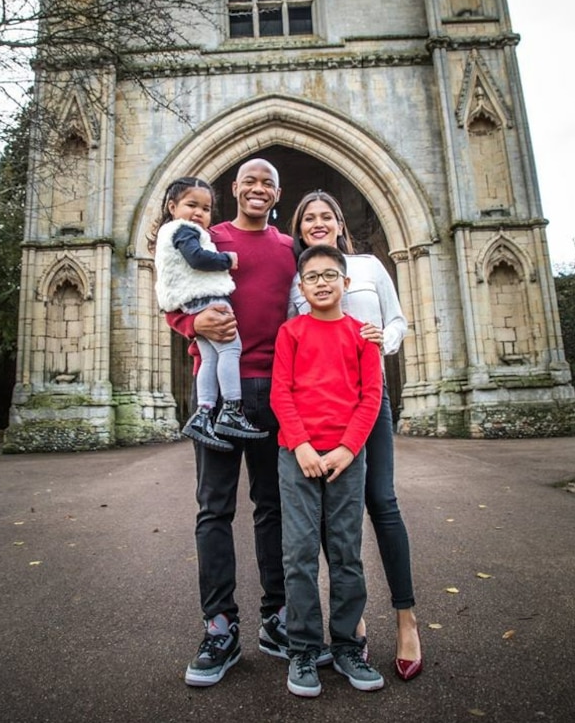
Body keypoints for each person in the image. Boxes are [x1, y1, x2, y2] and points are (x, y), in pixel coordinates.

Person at [164, 159, 298, 687]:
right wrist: (189, 322)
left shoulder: (290, 248)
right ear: (234, 189)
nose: (258, 188)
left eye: (268, 182)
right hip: (220, 390)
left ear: (276, 192)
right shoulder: (204, 235)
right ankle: (220, 626)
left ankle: (277, 617)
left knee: (274, 506)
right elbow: (171, 288)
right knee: (214, 509)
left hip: (274, 390)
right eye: (249, 181)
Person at [289, 190, 423, 682]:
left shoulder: (367, 266)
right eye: (309, 219)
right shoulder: (297, 280)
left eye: (326, 216)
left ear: (339, 222)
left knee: (381, 503)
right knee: (329, 518)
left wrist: (377, 343)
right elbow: (295, 338)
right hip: (321, 411)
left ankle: (407, 621)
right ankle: (352, 621)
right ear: (300, 229)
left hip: (369, 400)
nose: (318, 223)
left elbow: (396, 320)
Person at [271, 243, 384, 698]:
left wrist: (346, 449)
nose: (321, 281)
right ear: (301, 287)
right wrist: (299, 444)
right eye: (312, 276)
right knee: (298, 554)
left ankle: (346, 646)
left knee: (345, 553)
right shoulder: (291, 332)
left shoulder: (362, 335)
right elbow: (281, 392)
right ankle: (303, 648)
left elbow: (370, 398)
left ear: (345, 282)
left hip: (345, 460)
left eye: (329, 274)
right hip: (297, 457)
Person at [154, 176, 268, 451]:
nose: (199, 213)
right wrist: (226, 259)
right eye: (191, 205)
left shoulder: (173, 233)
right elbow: (197, 258)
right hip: (208, 299)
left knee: (209, 357)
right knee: (230, 350)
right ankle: (231, 409)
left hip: (193, 300)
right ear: (172, 206)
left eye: (205, 209)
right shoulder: (185, 231)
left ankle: (203, 413)